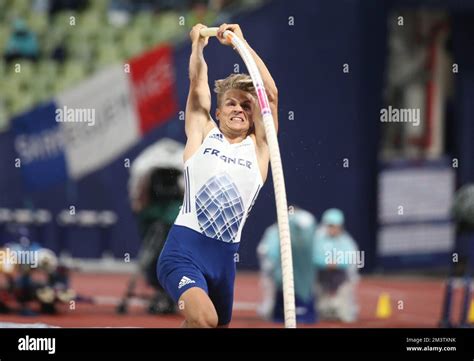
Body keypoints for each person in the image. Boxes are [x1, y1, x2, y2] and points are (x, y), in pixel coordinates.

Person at [157, 23, 278, 328]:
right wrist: (198, 46)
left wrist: (242, 43)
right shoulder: (202, 133)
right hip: (183, 252)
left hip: (224, 263)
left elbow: (271, 96)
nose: (238, 109)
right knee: (205, 318)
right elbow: (197, 81)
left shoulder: (260, 148)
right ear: (219, 112)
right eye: (231, 103)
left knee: (205, 326)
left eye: (246, 105)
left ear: (253, 116)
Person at [257, 208, 318, 324]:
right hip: (279, 274)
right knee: (278, 293)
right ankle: (278, 312)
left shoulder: (307, 226)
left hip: (303, 274)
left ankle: (303, 312)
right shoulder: (275, 231)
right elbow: (266, 251)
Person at [313, 208, 360, 323]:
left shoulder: (346, 240)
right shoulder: (317, 238)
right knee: (321, 311)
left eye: (336, 226)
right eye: (331, 226)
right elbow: (312, 257)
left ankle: (340, 306)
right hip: (320, 277)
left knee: (346, 315)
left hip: (340, 277)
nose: (334, 229)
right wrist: (325, 263)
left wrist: (337, 263)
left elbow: (352, 257)